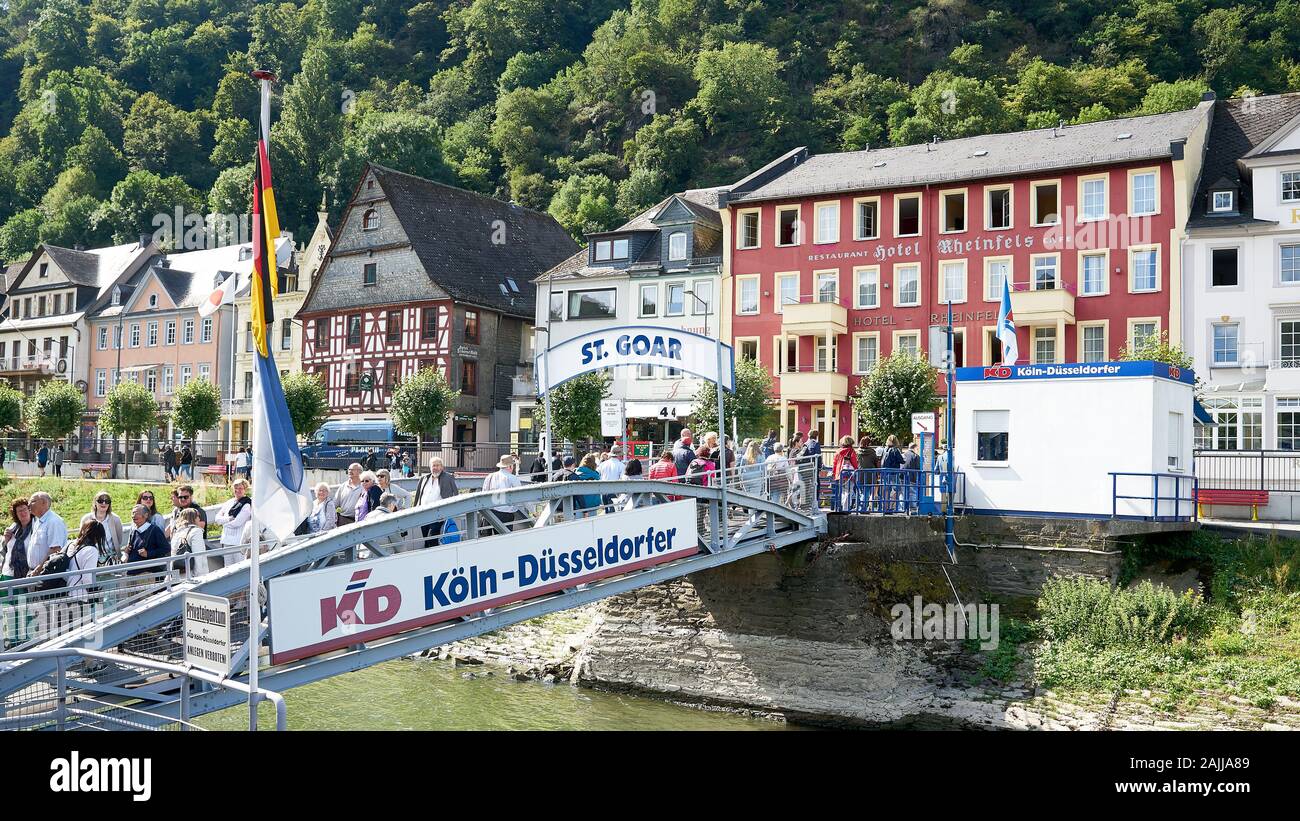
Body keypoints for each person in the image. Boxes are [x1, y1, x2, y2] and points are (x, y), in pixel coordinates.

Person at [414, 457, 459, 545]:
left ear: (442, 467)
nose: (435, 468)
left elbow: (455, 493)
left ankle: (434, 554)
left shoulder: (448, 477)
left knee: (432, 536)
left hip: (438, 514)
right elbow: (418, 495)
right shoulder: (424, 478)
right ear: (430, 467)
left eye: (437, 465)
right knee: (426, 538)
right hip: (423, 513)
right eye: (433, 465)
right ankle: (428, 554)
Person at [214, 480, 252, 567]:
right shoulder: (229, 502)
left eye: (240, 488)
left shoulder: (247, 504)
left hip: (239, 542)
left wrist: (223, 522)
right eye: (236, 488)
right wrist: (229, 519)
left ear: (245, 489)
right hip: (226, 540)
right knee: (227, 567)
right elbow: (217, 518)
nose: (238, 490)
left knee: (240, 566)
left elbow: (237, 523)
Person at [64, 520, 105, 599]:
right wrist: (94, 593)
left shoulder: (71, 544)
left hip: (65, 590)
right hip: (79, 594)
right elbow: (87, 578)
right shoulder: (91, 551)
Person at [124, 503, 170, 576]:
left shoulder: (154, 530)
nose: (133, 516)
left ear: (146, 515)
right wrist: (127, 552)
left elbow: (166, 548)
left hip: (148, 575)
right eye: (132, 513)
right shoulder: (134, 531)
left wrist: (148, 553)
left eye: (137, 513)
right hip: (132, 574)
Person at [1, 498, 35, 595]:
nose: (22, 512)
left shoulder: (36, 528)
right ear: (15, 514)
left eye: (24, 509)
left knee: (23, 606)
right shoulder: (13, 528)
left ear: (29, 510)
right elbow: (5, 549)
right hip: (8, 573)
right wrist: (6, 540)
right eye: (19, 511)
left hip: (25, 575)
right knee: (6, 607)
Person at [481, 455, 525, 529]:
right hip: (507, 513)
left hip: (491, 512)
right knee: (506, 537)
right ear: (510, 466)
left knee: (492, 538)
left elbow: (484, 493)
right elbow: (520, 495)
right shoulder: (513, 478)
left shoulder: (490, 476)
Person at [28, 492, 67, 572]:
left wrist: (38, 569)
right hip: (35, 571)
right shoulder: (38, 521)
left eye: (32, 501)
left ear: (44, 502)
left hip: (45, 572)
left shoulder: (54, 521)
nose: (29, 504)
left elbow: (55, 549)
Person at [81, 493, 125, 560]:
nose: (104, 503)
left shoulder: (116, 519)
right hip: (90, 555)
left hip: (111, 556)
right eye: (100, 501)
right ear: (95, 503)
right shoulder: (86, 518)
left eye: (107, 501)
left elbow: (119, 539)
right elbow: (82, 538)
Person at [169, 508, 205, 577]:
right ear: (193, 518)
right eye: (198, 516)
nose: (199, 519)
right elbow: (198, 555)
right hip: (191, 575)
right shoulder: (196, 531)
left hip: (177, 575)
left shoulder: (176, 533)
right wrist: (198, 575)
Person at [832, 435, 860, 510]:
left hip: (840, 474)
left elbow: (834, 463)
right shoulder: (851, 451)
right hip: (849, 474)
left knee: (843, 491)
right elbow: (854, 462)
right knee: (849, 491)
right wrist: (856, 469)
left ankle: (841, 507)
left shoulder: (838, 451)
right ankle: (846, 508)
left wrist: (834, 474)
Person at [881, 434, 905, 511]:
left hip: (885, 473)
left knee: (887, 490)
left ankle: (886, 507)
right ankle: (892, 506)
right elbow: (901, 460)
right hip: (894, 472)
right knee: (898, 490)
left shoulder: (885, 449)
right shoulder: (895, 450)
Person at [857, 436, 880, 511]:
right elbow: (876, 462)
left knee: (862, 491)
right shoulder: (872, 452)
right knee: (867, 491)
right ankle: (863, 508)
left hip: (860, 473)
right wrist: (878, 472)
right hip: (870, 473)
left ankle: (860, 506)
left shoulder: (858, 451)